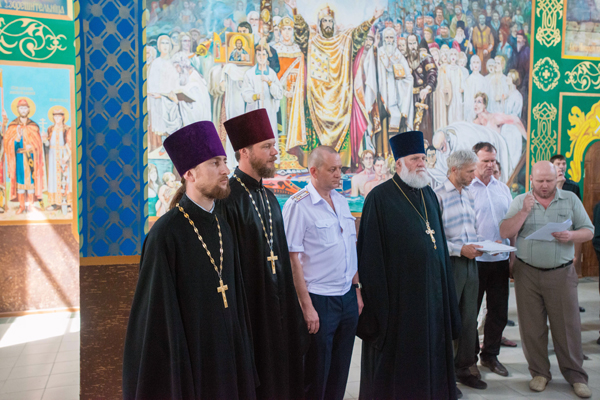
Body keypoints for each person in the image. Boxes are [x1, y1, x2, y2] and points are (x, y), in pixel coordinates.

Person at [123, 121, 257, 400]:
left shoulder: (222, 226)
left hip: (227, 359)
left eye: (224, 161)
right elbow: (158, 322)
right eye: (215, 163)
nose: (225, 170)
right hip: (191, 364)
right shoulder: (165, 234)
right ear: (189, 174)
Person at [357, 130, 461, 400]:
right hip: (399, 304)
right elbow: (370, 257)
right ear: (399, 163)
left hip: (433, 298)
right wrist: (378, 306)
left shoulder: (429, 195)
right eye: (415, 159)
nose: (421, 163)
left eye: (423, 158)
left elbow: (439, 246)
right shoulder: (379, 198)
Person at [218, 109, 307, 400]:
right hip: (252, 313)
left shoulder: (269, 197)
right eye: (267, 146)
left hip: (279, 309)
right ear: (244, 152)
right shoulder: (227, 200)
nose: (275, 152)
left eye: (274, 145)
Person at [500, 161, 594, 399]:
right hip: (527, 273)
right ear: (531, 179)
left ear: (557, 179)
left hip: (560, 273)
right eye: (539, 181)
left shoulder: (570, 200)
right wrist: (524, 212)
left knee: (567, 327)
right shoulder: (520, 201)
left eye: (549, 181)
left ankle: (576, 376)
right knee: (532, 327)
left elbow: (589, 230)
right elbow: (505, 232)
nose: (544, 185)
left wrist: (571, 235)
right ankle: (539, 373)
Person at [282, 146, 362, 400]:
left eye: (340, 168)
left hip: (347, 296)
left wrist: (356, 291)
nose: (339, 174)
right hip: (319, 299)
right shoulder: (298, 205)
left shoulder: (341, 201)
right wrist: (306, 306)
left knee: (340, 369)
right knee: (316, 373)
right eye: (333, 169)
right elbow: (293, 259)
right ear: (314, 171)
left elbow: (350, 248)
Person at [286, 0, 383, 166]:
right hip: (316, 97)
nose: (328, 24)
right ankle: (316, 164)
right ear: (319, 23)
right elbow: (301, 34)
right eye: (324, 21)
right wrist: (295, 12)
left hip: (340, 98)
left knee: (343, 131)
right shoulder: (312, 41)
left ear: (334, 23)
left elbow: (358, 35)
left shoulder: (344, 41)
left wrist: (372, 19)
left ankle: (340, 165)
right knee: (314, 134)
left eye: (330, 21)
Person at [435, 150, 486, 393]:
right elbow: (434, 239)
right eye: (470, 171)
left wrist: (482, 245)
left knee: (468, 318)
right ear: (454, 170)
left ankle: (464, 368)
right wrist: (459, 249)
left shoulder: (469, 194)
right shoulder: (437, 196)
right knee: (448, 320)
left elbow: (471, 230)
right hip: (450, 264)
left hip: (470, 264)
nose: (474, 175)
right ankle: (443, 374)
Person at [469, 142, 513, 379]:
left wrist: (512, 255)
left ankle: (490, 355)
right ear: (474, 161)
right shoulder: (467, 189)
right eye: (485, 160)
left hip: (500, 260)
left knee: (498, 310)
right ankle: (469, 358)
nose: (490, 165)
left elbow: (511, 224)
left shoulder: (502, 189)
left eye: (493, 160)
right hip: (475, 261)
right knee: (470, 312)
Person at [2, 99, 44, 214]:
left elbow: (39, 145)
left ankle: (30, 206)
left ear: (29, 109)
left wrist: (33, 147)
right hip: (19, 160)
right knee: (20, 183)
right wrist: (17, 138)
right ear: (18, 110)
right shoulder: (13, 126)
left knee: (31, 183)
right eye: (21, 108)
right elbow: (8, 145)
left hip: (31, 159)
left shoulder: (34, 126)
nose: (23, 110)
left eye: (25, 108)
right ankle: (21, 206)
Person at [378, 27, 414, 135]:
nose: (389, 40)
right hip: (381, 92)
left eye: (391, 37)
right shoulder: (379, 53)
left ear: (394, 39)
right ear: (383, 39)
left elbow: (409, 77)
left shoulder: (399, 56)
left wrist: (400, 82)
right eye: (387, 37)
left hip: (395, 93)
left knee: (396, 115)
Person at [241, 45, 284, 138]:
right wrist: (256, 96)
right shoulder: (249, 74)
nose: (261, 57)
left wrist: (269, 82)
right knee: (255, 136)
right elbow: (245, 93)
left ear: (267, 56)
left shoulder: (272, 73)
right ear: (256, 56)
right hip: (254, 112)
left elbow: (279, 94)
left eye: (264, 55)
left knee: (268, 137)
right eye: (259, 55)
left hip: (269, 112)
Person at [43, 106, 72, 211]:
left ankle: (68, 204)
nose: (57, 118)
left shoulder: (67, 129)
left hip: (63, 156)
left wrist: (67, 156)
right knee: (53, 179)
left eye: (59, 116)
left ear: (63, 117)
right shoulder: (50, 129)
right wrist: (44, 140)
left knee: (65, 179)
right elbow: (48, 144)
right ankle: (54, 203)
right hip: (52, 157)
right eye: (55, 116)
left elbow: (70, 143)